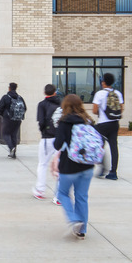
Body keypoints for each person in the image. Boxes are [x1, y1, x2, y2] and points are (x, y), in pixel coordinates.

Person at [52, 92, 97, 238]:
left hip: (69, 166)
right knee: (82, 196)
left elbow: (57, 144)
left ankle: (74, 219)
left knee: (62, 193)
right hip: (87, 165)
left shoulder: (64, 122)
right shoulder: (88, 121)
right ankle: (82, 230)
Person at [91, 72, 123, 180]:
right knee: (114, 147)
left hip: (103, 124)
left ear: (103, 82)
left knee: (99, 145)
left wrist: (101, 111)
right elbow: (121, 109)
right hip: (115, 123)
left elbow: (94, 110)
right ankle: (113, 172)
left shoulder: (99, 94)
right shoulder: (118, 93)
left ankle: (103, 168)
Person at [32, 84, 61, 200]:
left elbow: (41, 121)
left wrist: (43, 131)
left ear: (45, 93)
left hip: (47, 138)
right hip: (60, 138)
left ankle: (40, 190)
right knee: (59, 166)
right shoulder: (61, 104)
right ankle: (59, 195)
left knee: (43, 164)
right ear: (55, 92)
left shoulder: (42, 104)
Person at [0, 82, 26, 159]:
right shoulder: (20, 97)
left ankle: (11, 147)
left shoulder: (6, 97)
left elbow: (0, 107)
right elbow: (24, 108)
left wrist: (3, 115)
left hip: (8, 119)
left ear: (9, 88)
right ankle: (13, 153)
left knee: (5, 134)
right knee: (14, 135)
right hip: (18, 119)